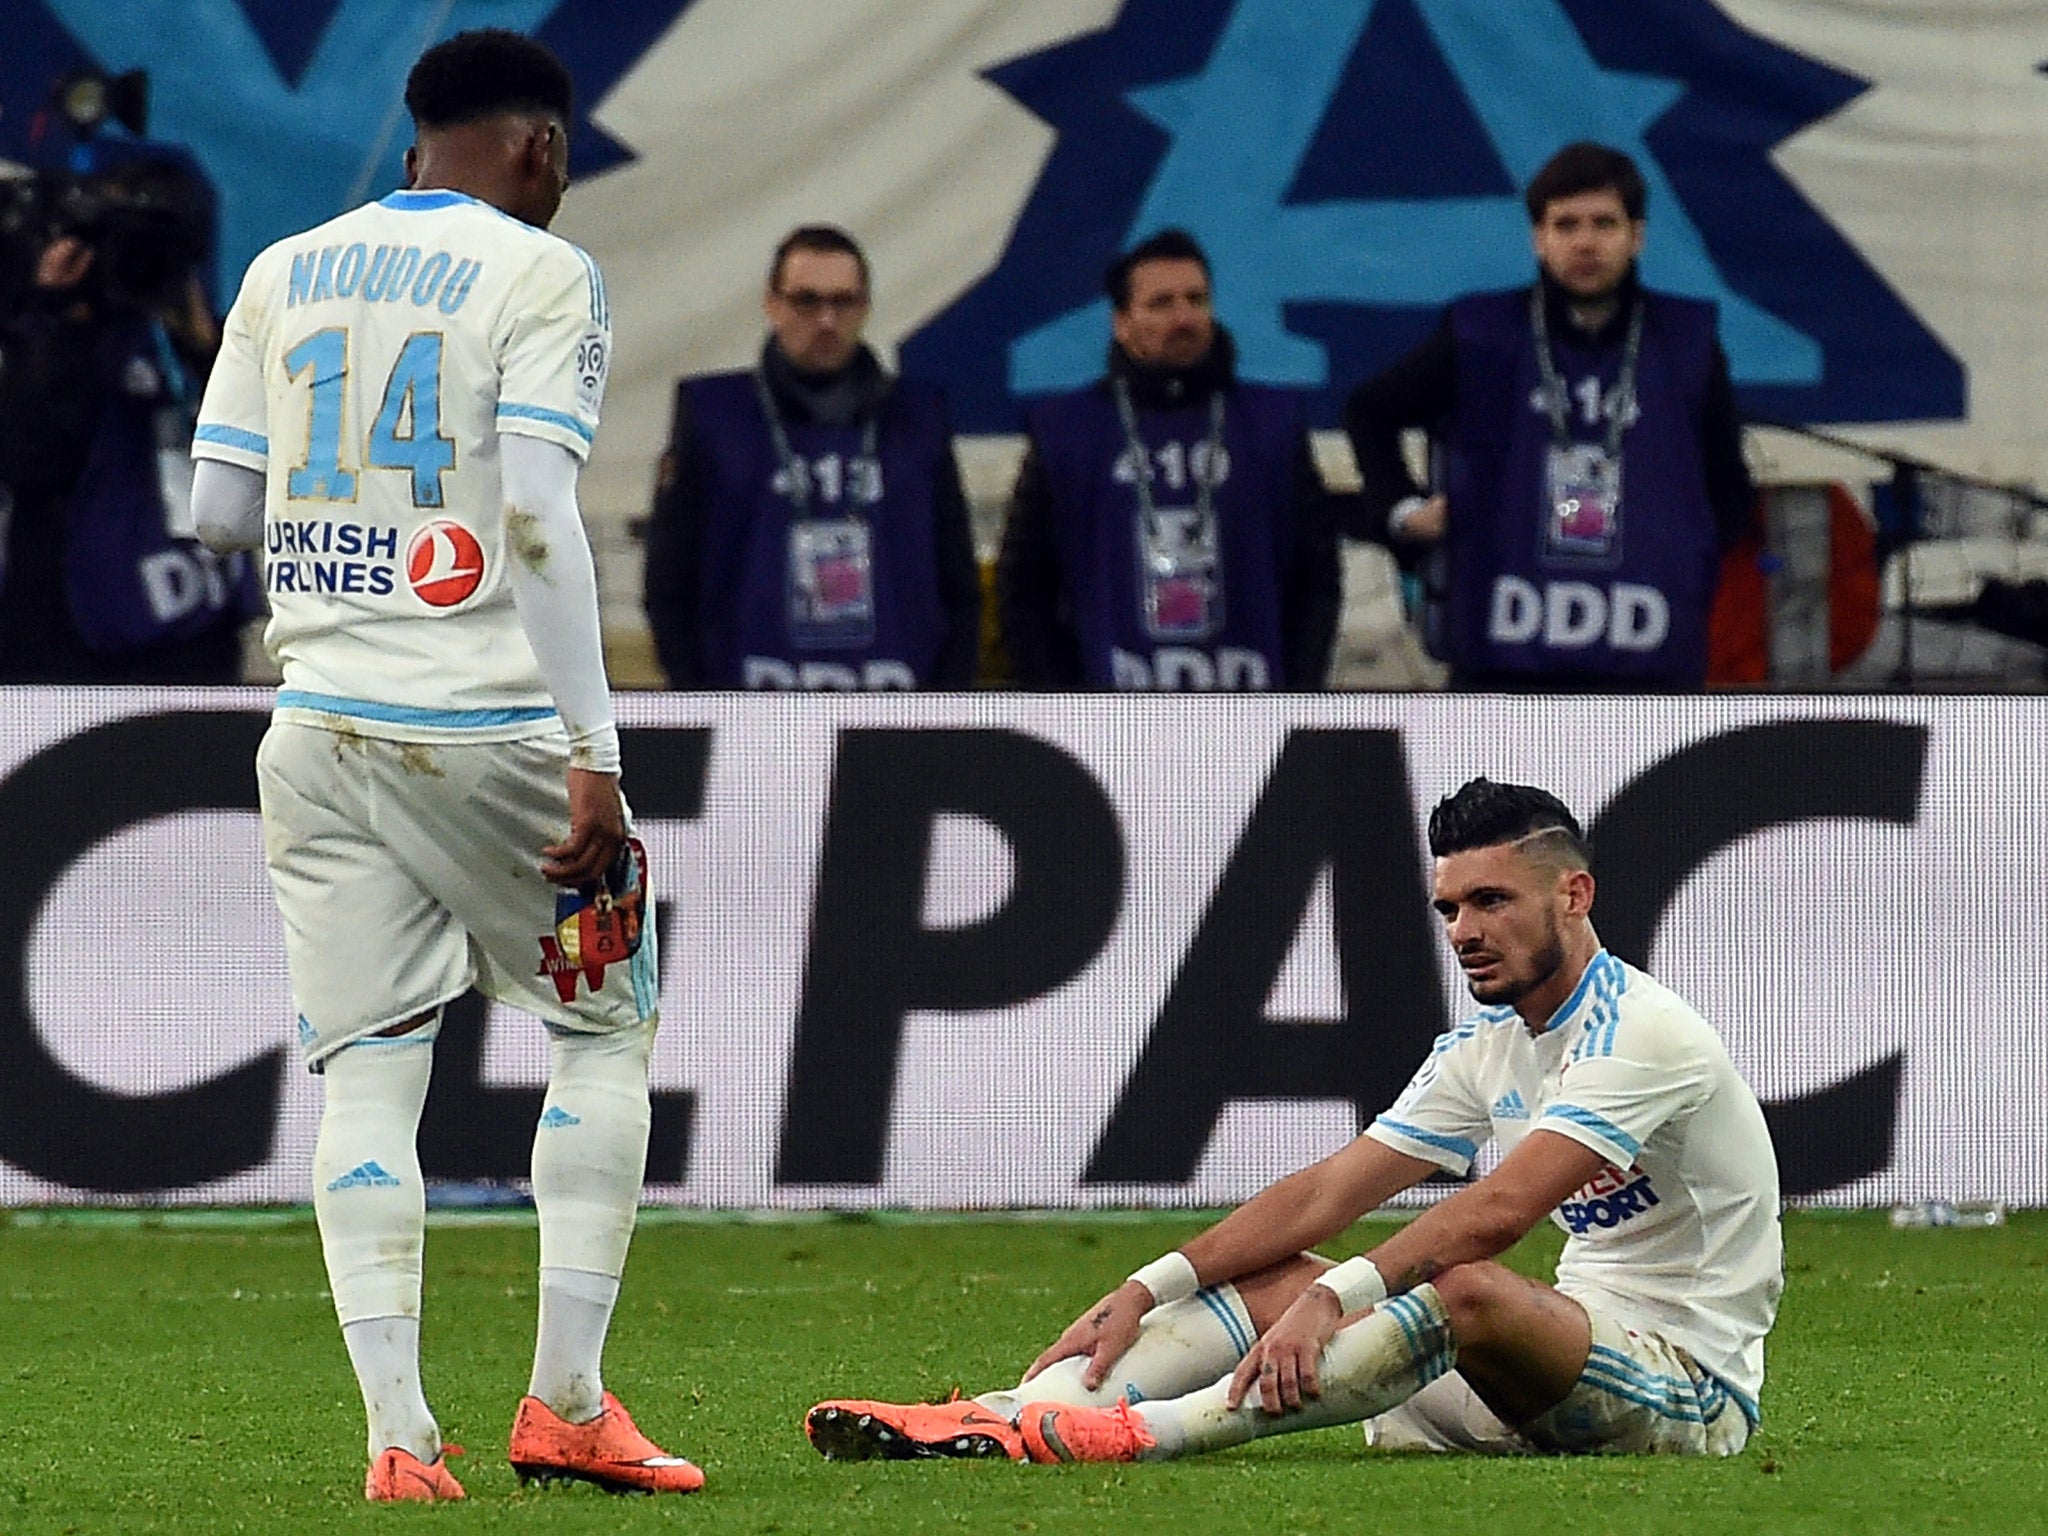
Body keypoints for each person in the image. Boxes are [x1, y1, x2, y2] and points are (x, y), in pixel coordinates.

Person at [188, 29, 702, 1502]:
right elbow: (537, 512)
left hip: (317, 721)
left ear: (415, 138)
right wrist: (594, 752)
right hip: (482, 724)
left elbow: (221, 511)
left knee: (367, 1071)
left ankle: (400, 1443)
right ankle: (565, 1404)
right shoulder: (544, 272)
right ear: (540, 149)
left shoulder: (283, 268)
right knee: (601, 1029)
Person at [804, 777, 1782, 1465]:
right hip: (1529, 1388)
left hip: (1678, 1391)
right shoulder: (1487, 1044)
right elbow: (1325, 1191)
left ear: (1573, 896)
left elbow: (1496, 1212)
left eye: (1490, 901)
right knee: (1270, 1280)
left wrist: (1341, 1296)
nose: (1462, 933)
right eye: (1447, 908)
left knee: (1467, 1289)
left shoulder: (1640, 1033)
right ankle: (1008, 1419)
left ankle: (1160, 1434)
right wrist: (1148, 1285)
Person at [1345, 142, 1755, 690]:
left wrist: (1684, 554)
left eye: (1604, 224)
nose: (1585, 242)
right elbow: (1369, 411)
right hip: (1504, 660)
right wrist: (1401, 510)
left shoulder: (1685, 340)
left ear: (1637, 236)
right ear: (1539, 239)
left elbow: (1728, 487)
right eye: (1566, 225)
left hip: (1645, 661)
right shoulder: (1482, 333)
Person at [997, 228, 1339, 691]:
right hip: (1112, 724)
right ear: (1121, 322)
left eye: (1196, 299)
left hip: (1254, 713)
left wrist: (1296, 696)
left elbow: (1316, 575)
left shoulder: (1271, 422)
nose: (1184, 317)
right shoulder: (1068, 430)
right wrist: (1062, 709)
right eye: (1161, 303)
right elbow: (1024, 587)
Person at [642, 225, 980, 690]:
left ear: (865, 307)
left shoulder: (918, 417)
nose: (826, 320)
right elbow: (669, 578)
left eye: (843, 302)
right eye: (806, 300)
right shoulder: (714, 414)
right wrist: (699, 696)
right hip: (750, 706)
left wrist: (945, 704)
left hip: (896, 707)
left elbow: (957, 580)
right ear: (772, 303)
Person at [0, 157, 258, 681]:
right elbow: (27, 461)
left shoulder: (211, 345)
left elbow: (270, 460)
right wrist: (58, 315)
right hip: (71, 654)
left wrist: (205, 347)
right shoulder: (49, 336)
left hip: (198, 636)